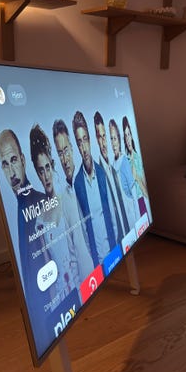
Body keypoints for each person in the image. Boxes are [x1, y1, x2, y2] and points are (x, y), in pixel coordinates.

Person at [0, 129, 50, 314]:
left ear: (23, 160)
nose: (11, 172)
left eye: (13, 160)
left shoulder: (42, 203)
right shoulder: (12, 209)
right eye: (5, 164)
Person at [29, 124, 81, 309]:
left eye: (47, 167)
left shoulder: (67, 196)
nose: (46, 175)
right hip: (61, 293)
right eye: (41, 170)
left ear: (52, 164)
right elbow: (47, 267)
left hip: (79, 281)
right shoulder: (40, 221)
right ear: (37, 173)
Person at [52, 119, 94, 283]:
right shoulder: (63, 200)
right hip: (87, 280)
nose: (64, 159)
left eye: (66, 150)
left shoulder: (87, 179)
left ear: (71, 147)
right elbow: (72, 253)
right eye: (60, 153)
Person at [72, 110, 116, 266]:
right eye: (79, 142)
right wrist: (92, 256)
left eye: (85, 139)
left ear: (90, 140)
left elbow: (112, 213)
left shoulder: (101, 172)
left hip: (113, 247)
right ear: (77, 146)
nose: (83, 147)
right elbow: (84, 227)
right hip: (97, 258)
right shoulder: (77, 183)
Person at [94, 111, 130, 242]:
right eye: (100, 137)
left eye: (105, 136)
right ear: (96, 139)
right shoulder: (98, 175)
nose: (103, 142)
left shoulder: (113, 169)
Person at [109, 118, 139, 225]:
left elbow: (134, 193)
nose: (113, 143)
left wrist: (138, 221)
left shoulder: (124, 161)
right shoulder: (112, 166)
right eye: (111, 139)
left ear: (119, 140)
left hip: (131, 215)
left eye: (115, 138)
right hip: (122, 218)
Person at [122, 115, 149, 216]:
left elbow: (145, 189)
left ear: (132, 136)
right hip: (132, 204)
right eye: (125, 136)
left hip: (142, 201)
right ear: (124, 140)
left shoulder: (138, 158)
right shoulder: (125, 162)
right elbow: (126, 191)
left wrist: (136, 178)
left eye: (129, 134)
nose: (128, 139)